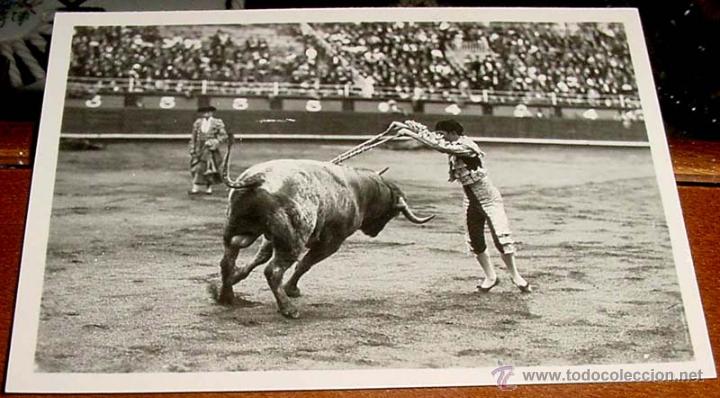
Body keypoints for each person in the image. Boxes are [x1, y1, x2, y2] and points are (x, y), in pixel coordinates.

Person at [384, 119, 531, 293]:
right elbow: (432, 136)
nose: (441, 137)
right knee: (475, 241)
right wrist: (404, 125)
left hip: (489, 199)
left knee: (501, 238)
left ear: (453, 133)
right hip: (470, 200)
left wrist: (410, 134)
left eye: (444, 134)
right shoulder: (451, 141)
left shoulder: (466, 146)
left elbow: (441, 147)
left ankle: (516, 276)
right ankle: (491, 277)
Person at [189, 105, 228, 195]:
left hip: (210, 149)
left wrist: (214, 142)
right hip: (199, 147)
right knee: (196, 167)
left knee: (208, 167)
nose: (206, 113)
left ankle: (206, 187)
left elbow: (223, 136)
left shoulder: (217, 122)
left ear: (211, 113)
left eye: (208, 112)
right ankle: (197, 187)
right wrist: (192, 148)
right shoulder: (198, 122)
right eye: (204, 112)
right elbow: (193, 137)